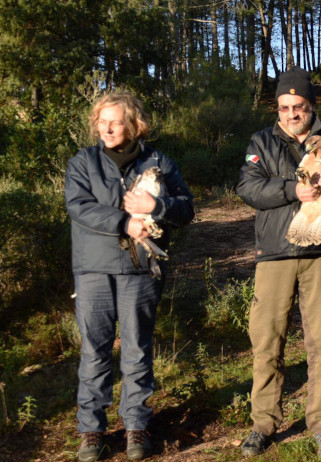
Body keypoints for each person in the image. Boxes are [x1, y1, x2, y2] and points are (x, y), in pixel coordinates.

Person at [236, 66, 321, 458]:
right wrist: (293, 189)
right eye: (284, 106)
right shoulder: (262, 140)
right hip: (274, 255)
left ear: (312, 106)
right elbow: (247, 187)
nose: (291, 113)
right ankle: (263, 423)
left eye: (299, 106)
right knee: (266, 341)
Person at [65, 92, 194, 462]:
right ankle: (91, 430)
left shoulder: (159, 162)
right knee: (94, 352)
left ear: (134, 124)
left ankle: (136, 424)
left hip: (140, 269)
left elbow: (186, 209)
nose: (106, 128)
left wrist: (157, 206)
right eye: (101, 121)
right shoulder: (83, 162)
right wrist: (125, 221)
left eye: (115, 121)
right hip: (93, 269)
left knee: (137, 350)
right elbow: (79, 207)